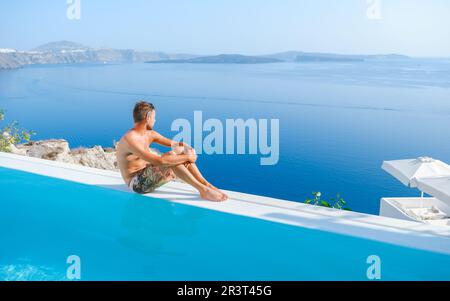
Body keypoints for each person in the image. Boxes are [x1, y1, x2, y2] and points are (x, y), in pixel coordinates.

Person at [116, 101, 228, 202]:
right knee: (170, 157)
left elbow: (175, 144)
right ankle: (202, 190)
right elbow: (160, 161)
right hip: (136, 184)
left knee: (179, 152)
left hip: (148, 174)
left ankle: (206, 184)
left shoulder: (149, 134)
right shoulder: (130, 139)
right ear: (148, 117)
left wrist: (188, 149)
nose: (155, 120)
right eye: (154, 117)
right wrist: (187, 157)